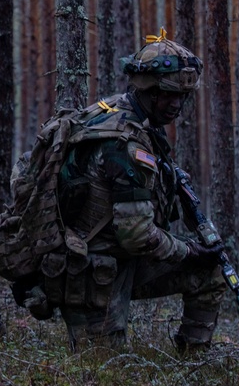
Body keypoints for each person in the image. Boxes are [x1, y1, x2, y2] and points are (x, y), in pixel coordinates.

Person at [14, 31, 226, 353]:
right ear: (148, 90)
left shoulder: (120, 111)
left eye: (182, 96)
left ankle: (192, 364)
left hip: (117, 260)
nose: (176, 104)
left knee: (209, 272)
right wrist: (190, 251)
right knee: (103, 371)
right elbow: (138, 235)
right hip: (90, 272)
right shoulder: (125, 143)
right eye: (168, 94)